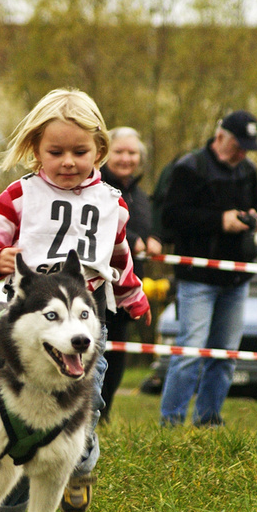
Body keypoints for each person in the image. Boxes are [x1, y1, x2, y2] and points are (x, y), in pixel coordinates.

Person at [0, 89, 150, 512]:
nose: (68, 161)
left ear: (99, 151)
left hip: (86, 328)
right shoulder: (19, 196)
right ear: (35, 150)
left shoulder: (112, 202)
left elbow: (119, 258)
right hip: (27, 332)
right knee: (20, 426)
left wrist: (133, 296)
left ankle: (81, 464)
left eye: (80, 151)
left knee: (82, 413)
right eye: (56, 151)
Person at [159, 110, 257, 427]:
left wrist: (254, 219)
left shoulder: (248, 170)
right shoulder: (189, 168)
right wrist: (220, 221)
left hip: (236, 276)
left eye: (247, 146)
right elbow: (172, 217)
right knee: (190, 352)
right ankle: (172, 422)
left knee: (226, 354)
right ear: (220, 138)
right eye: (238, 145)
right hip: (198, 278)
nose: (243, 153)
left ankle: (209, 420)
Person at [100, 126, 161, 420]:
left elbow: (147, 230)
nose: (126, 158)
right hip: (99, 284)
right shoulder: (96, 186)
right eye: (119, 151)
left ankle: (106, 412)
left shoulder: (141, 196)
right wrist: (133, 237)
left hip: (129, 285)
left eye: (132, 152)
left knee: (118, 352)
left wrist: (151, 239)